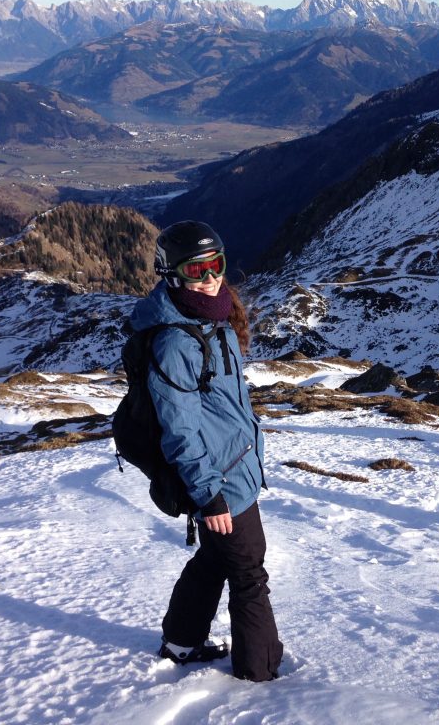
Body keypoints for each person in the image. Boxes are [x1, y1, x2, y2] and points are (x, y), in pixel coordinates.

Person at [129, 220, 283, 682]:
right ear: (172, 274)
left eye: (216, 264)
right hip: (220, 480)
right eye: (197, 270)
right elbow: (179, 432)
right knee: (249, 573)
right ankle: (261, 678)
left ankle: (181, 641)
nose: (211, 277)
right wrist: (209, 495)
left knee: (215, 558)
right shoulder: (177, 341)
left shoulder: (212, 319)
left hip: (233, 468)